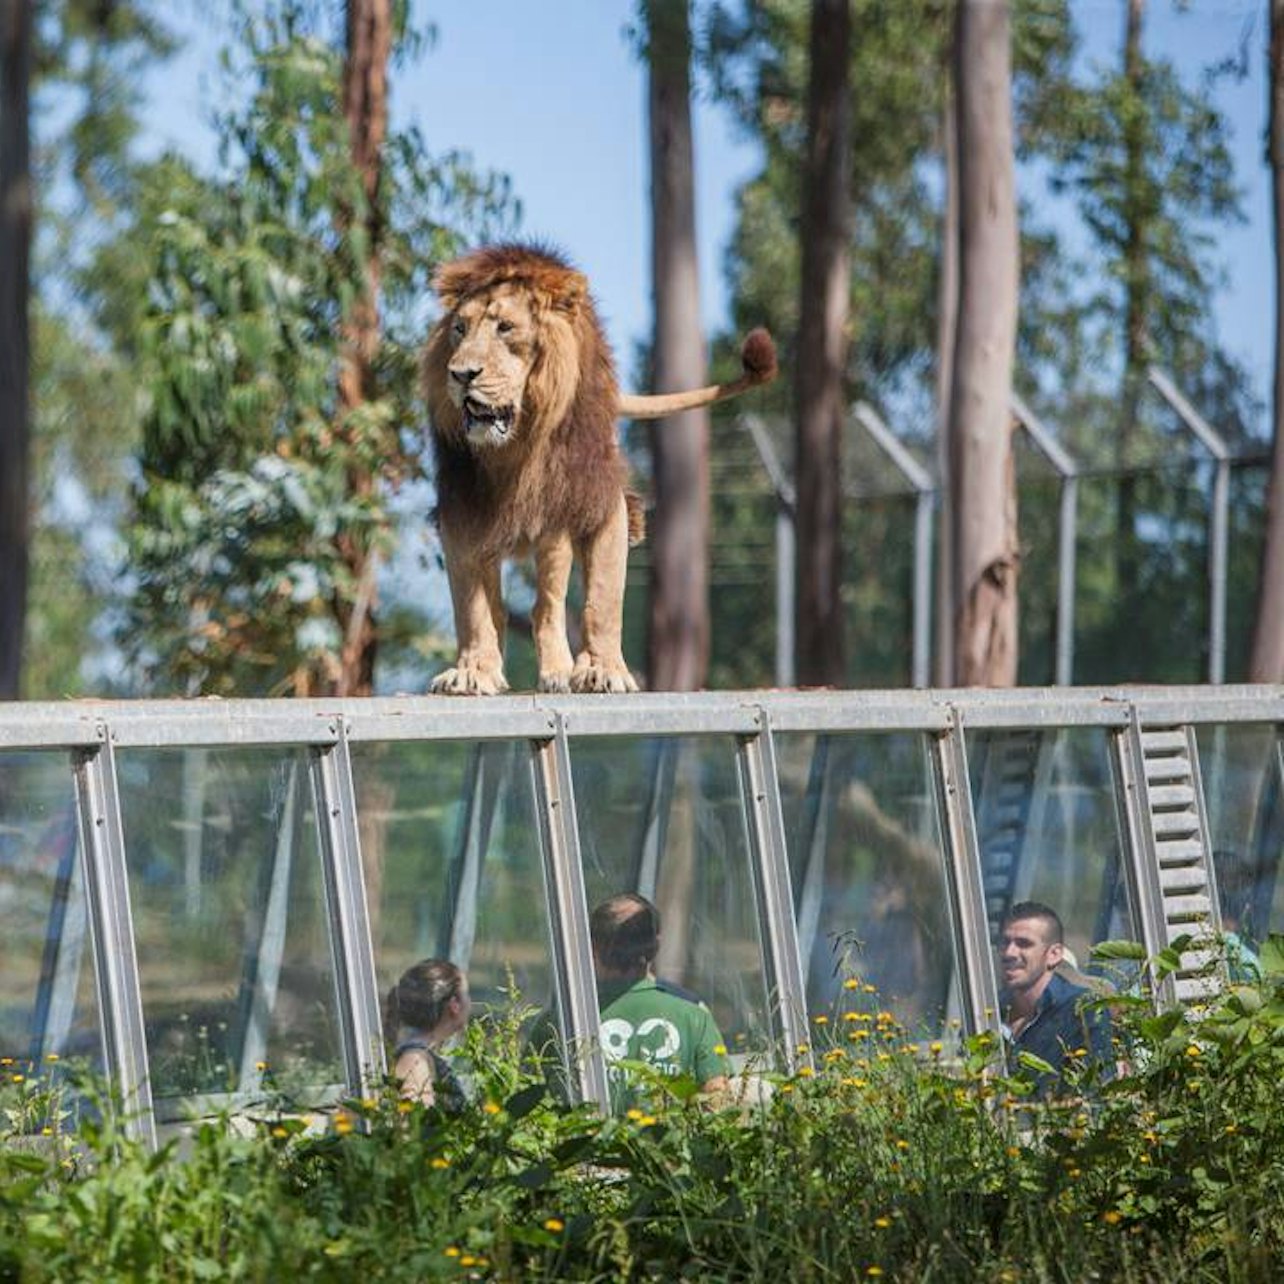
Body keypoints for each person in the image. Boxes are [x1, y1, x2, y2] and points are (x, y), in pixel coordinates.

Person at [589, 892, 731, 1113]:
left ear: (592, 948)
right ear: (656, 945)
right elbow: (718, 1104)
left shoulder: (566, 1019)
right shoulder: (694, 1016)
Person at [997, 901, 1114, 1098]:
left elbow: (1095, 1094)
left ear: (1054, 954)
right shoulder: (985, 1012)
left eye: (1024, 944)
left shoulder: (1082, 1011)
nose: (1009, 953)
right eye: (1005, 942)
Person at [383, 958, 471, 1112]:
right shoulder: (415, 1061)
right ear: (454, 1005)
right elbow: (412, 1122)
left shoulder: (421, 1056)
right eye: (466, 994)